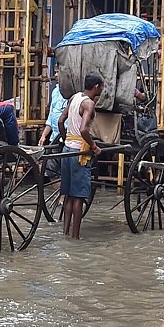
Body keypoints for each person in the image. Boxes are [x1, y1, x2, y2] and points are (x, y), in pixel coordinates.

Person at [57, 72, 103, 239]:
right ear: (96, 87)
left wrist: (65, 139)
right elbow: (84, 129)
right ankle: (75, 237)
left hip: (67, 149)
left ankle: (66, 233)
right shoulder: (89, 104)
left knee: (68, 195)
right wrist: (94, 146)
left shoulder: (75, 98)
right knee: (78, 197)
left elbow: (61, 121)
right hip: (79, 153)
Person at [39, 74, 68, 146]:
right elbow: (51, 117)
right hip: (54, 138)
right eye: (56, 72)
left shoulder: (71, 94)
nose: (56, 75)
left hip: (66, 139)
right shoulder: (55, 91)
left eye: (59, 72)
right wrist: (43, 136)